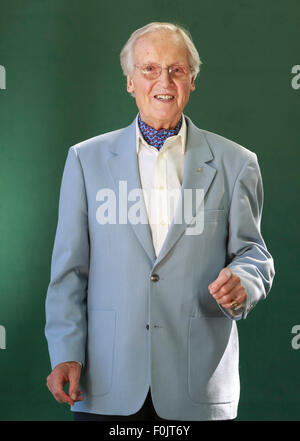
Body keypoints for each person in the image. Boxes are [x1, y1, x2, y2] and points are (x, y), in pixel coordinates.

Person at [45, 22, 275, 421]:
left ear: (191, 81)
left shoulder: (237, 163)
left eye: (177, 69)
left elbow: (254, 255)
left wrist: (245, 282)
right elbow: (69, 271)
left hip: (198, 387)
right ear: (130, 81)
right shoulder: (86, 161)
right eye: (149, 69)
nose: (163, 81)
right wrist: (65, 353)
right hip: (104, 385)